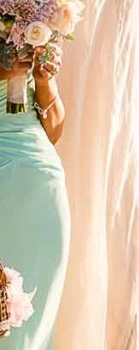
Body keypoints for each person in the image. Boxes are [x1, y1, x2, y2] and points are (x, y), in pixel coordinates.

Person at [0, 47, 70, 350]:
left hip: (42, 180)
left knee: (35, 322)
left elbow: (53, 130)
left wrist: (43, 81)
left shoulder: (30, 12)